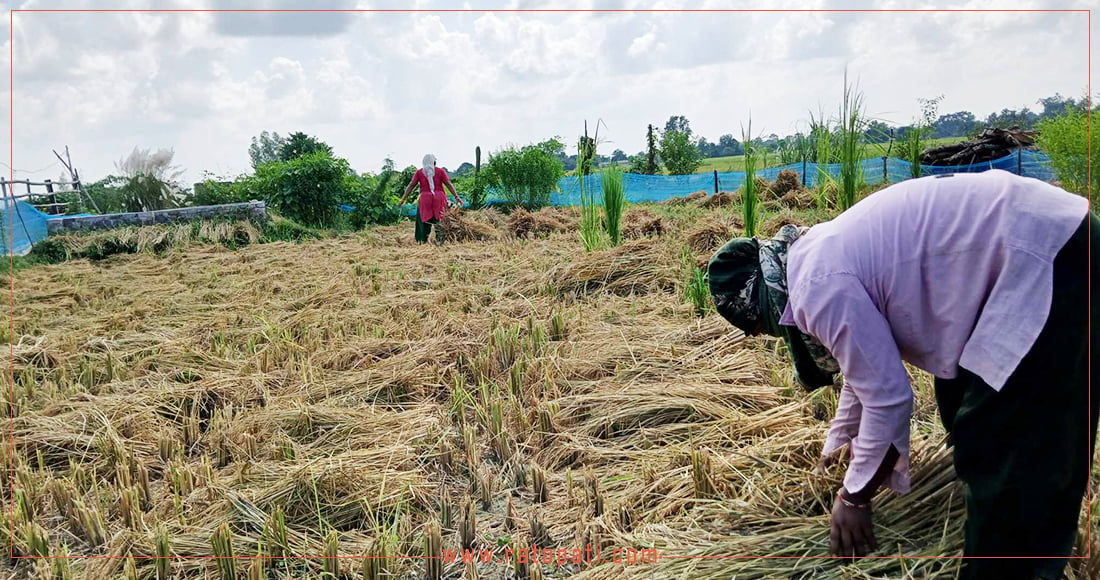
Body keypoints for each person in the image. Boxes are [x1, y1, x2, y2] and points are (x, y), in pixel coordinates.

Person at [706, 169, 1096, 580]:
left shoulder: (816, 286)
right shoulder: (813, 254)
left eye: (767, 327)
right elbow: (864, 372)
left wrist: (854, 498)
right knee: (967, 410)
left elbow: (888, 397)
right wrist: (836, 449)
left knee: (1005, 443)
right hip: (1042, 239)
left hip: (1046, 253)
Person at [398, 154, 464, 244]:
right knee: (441, 219)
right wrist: (457, 196)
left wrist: (402, 199)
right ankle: (441, 240)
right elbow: (448, 184)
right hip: (439, 198)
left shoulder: (419, 172)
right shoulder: (440, 171)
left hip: (425, 199)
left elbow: (411, 185)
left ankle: (422, 241)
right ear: (434, 162)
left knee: (423, 220)